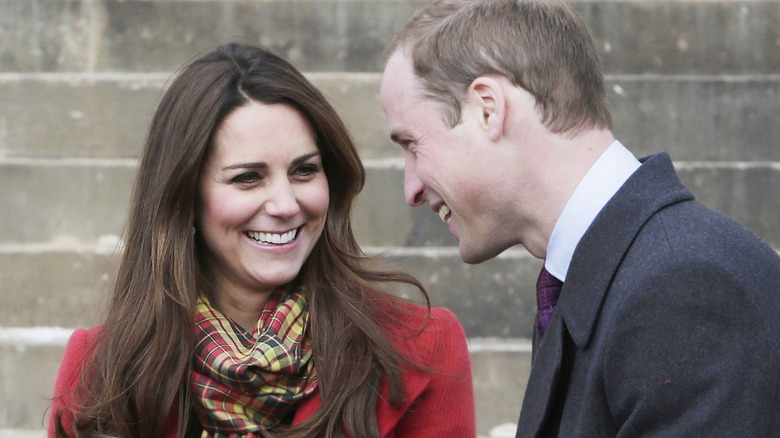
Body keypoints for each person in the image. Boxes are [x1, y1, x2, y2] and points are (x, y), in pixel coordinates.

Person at [379, 0, 780, 436]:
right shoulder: (613, 274)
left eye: (412, 144)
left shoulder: (682, 284)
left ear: (487, 109)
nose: (411, 189)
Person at [49, 42, 475, 438]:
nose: (285, 204)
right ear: (187, 197)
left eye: (304, 171)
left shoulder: (424, 347)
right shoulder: (102, 369)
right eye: (248, 178)